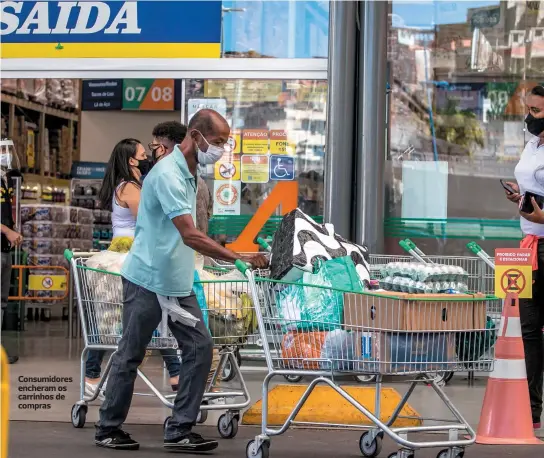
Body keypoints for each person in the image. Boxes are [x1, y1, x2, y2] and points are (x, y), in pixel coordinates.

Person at [95, 109, 267, 453]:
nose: (220, 149)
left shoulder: (191, 172)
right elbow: (189, 234)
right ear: (196, 136)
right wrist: (237, 256)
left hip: (176, 280)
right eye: (217, 142)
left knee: (200, 347)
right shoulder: (169, 175)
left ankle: (179, 430)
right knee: (131, 353)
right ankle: (108, 427)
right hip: (147, 278)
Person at [84, 138, 181, 400]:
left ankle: (175, 373)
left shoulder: (135, 185)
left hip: (135, 255)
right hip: (127, 258)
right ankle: (92, 375)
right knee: (115, 320)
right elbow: (147, 220)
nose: (147, 156)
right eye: (143, 153)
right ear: (131, 161)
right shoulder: (129, 188)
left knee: (147, 315)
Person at [503, 84, 544, 430]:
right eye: (528, 109)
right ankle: (531, 412)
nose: (528, 116)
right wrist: (521, 198)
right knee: (529, 329)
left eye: (536, 111)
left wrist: (541, 217)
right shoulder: (532, 144)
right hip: (529, 246)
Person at [1, 141, 22, 365]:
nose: (7, 155)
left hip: (4, 249)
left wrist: (12, 230)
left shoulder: (5, 180)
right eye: (2, 150)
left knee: (2, 302)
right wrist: (7, 231)